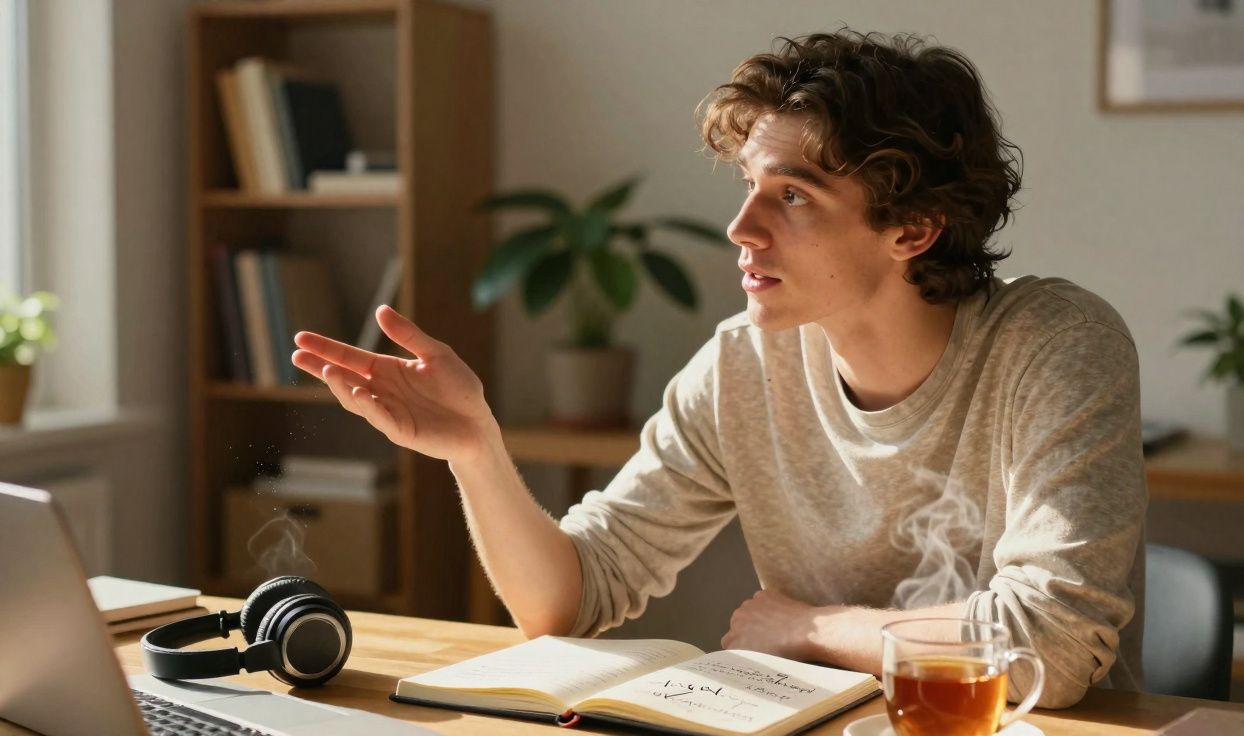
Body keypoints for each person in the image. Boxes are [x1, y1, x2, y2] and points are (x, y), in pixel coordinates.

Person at [292, 29, 1146, 709]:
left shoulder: (1054, 346)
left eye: (794, 195)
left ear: (912, 230)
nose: (741, 226)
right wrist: (476, 450)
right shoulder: (746, 360)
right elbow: (570, 599)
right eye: (746, 184)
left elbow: (1048, 648)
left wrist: (812, 626)